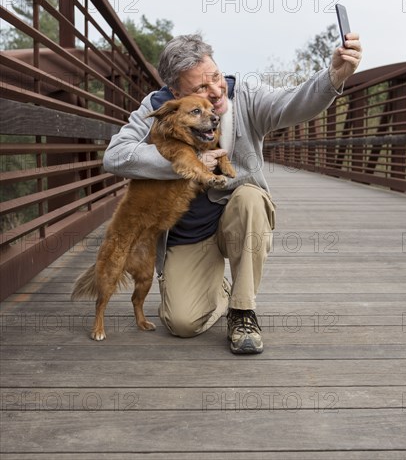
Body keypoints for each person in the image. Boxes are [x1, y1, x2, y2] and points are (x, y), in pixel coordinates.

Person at [103, 32, 362, 354]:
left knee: (251, 198)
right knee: (183, 323)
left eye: (215, 76)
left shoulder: (245, 96)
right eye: (200, 88)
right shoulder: (159, 108)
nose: (214, 91)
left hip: (238, 215)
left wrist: (334, 75)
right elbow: (115, 156)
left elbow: (292, 103)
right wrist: (182, 161)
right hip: (189, 232)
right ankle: (218, 287)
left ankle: (242, 311)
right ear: (175, 92)